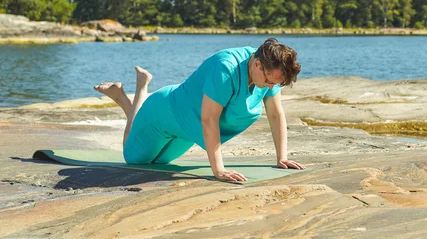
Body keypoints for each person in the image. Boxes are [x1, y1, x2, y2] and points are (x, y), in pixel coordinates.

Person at [94, 38, 305, 182]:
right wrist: (218, 170)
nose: (271, 88)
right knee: (134, 158)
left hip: (187, 131)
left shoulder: (270, 70)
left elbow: (275, 113)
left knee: (159, 163)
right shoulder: (226, 69)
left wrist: (282, 157)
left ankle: (137, 91)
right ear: (257, 65)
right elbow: (209, 120)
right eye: (269, 82)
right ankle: (130, 94)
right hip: (164, 114)